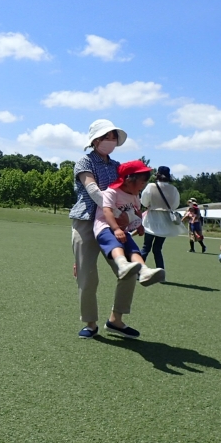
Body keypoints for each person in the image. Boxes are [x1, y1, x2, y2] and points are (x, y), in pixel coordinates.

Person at [69, 119, 141, 340]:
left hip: (113, 225)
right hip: (86, 221)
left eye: (113, 137)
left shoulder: (118, 167)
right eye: (106, 137)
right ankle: (90, 323)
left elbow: (128, 194)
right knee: (87, 277)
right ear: (95, 140)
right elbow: (93, 191)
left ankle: (115, 320)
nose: (110, 140)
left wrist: (133, 218)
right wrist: (115, 213)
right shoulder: (84, 162)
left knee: (128, 270)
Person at [94, 160, 166, 285]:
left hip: (122, 230)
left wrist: (140, 225)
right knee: (115, 244)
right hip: (105, 227)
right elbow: (107, 211)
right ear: (128, 180)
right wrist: (116, 229)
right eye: (142, 182)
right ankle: (122, 265)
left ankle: (144, 271)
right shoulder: (112, 192)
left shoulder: (134, 195)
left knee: (133, 249)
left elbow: (137, 211)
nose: (143, 186)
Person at [140, 166, 184, 271]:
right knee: (157, 248)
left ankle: (138, 271)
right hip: (165, 221)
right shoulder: (173, 189)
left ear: (157, 175)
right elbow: (175, 205)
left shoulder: (151, 186)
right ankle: (161, 271)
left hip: (152, 219)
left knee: (146, 247)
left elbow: (144, 202)